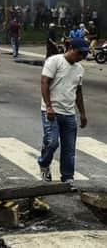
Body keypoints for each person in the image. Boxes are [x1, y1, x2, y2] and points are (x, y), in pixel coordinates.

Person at [38, 38, 89, 184]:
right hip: (52, 111)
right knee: (52, 143)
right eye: (80, 53)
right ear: (71, 48)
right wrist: (48, 106)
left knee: (69, 149)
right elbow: (44, 82)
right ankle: (44, 162)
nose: (82, 57)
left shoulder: (79, 69)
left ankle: (67, 177)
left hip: (69, 113)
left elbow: (78, 92)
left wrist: (83, 114)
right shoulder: (54, 61)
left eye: (84, 55)